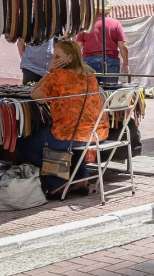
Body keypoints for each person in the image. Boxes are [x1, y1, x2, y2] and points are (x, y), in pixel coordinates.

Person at [19, 40, 108, 197]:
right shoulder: (90, 75)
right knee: (74, 139)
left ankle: (58, 183)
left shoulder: (59, 76)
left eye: (57, 57)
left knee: (25, 144)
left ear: (70, 59)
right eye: (54, 57)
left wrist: (49, 71)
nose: (54, 60)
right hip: (95, 134)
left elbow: (34, 95)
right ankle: (81, 179)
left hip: (69, 135)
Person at [75, 0, 129, 85]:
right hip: (110, 61)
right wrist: (125, 64)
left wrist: (76, 64)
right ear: (108, 9)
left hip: (89, 62)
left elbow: (77, 46)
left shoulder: (86, 24)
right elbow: (123, 46)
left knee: (90, 92)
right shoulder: (115, 23)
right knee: (109, 92)